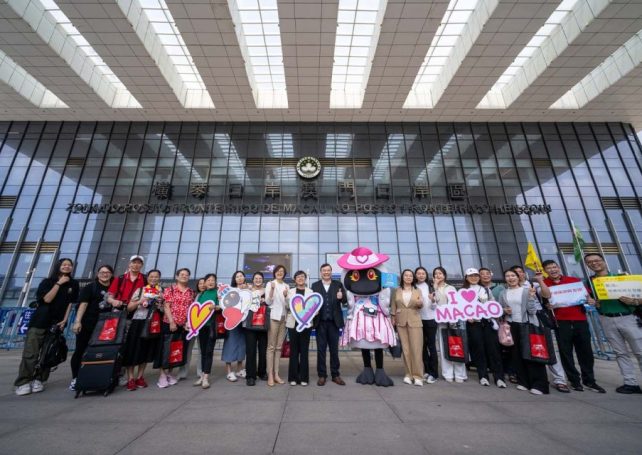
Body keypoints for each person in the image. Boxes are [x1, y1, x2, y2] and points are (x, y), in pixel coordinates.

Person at [15, 258, 79, 396]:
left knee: (48, 353)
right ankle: (23, 382)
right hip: (40, 321)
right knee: (31, 353)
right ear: (58, 266)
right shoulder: (47, 282)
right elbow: (47, 299)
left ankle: (39, 379)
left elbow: (70, 304)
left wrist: (65, 320)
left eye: (69, 265)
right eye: (64, 265)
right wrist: (58, 283)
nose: (67, 267)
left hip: (56, 323)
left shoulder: (74, 284)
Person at [541, 259, 606, 393]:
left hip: (579, 320)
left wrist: (590, 300)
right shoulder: (545, 283)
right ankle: (574, 381)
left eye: (554, 267)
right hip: (560, 322)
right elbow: (545, 297)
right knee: (566, 353)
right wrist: (541, 282)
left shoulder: (574, 280)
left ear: (559, 267)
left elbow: (587, 296)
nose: (553, 270)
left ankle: (589, 381)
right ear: (545, 271)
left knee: (585, 352)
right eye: (549, 268)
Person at [585, 253, 642, 394]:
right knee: (620, 352)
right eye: (590, 262)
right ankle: (630, 382)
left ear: (603, 261)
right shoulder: (590, 282)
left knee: (640, 351)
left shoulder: (622, 277)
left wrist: (634, 301)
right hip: (606, 318)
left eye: (596, 260)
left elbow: (639, 297)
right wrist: (594, 303)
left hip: (628, 317)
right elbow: (593, 301)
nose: (594, 263)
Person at [512, 264, 568, 392]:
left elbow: (547, 295)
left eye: (520, 272)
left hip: (538, 320)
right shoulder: (510, 289)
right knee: (526, 350)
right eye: (514, 273)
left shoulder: (533, 285)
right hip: (520, 322)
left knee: (548, 348)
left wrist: (540, 280)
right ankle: (528, 378)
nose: (517, 275)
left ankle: (559, 379)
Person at [499, 269, 549, 395]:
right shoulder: (503, 293)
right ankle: (523, 381)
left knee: (533, 353)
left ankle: (539, 384)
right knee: (516, 354)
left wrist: (531, 298)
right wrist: (505, 311)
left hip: (527, 324)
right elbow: (499, 310)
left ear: (518, 277)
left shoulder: (527, 291)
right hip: (511, 326)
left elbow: (532, 311)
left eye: (513, 275)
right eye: (507, 276)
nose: (510, 278)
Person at [69, 265, 114, 391]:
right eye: (102, 272)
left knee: (103, 352)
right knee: (81, 350)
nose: (105, 274)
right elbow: (83, 304)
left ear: (111, 274)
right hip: (88, 323)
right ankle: (76, 378)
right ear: (97, 273)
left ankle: (99, 377)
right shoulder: (90, 287)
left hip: (106, 325)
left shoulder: (114, 287)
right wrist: (77, 321)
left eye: (107, 272)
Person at [462, 268, 506, 388]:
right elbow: (460, 308)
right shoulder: (462, 291)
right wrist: (467, 317)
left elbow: (493, 304)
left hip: (488, 322)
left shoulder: (486, 290)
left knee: (494, 350)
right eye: (471, 276)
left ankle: (499, 377)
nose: (474, 278)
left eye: (476, 275)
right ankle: (483, 376)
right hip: (473, 324)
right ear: (466, 277)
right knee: (478, 350)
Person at [122, 269, 163, 391]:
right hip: (138, 322)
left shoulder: (161, 291)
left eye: (156, 277)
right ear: (148, 278)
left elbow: (162, 310)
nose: (154, 279)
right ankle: (130, 378)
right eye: (151, 276)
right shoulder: (140, 290)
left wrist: (160, 302)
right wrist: (142, 300)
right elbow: (129, 307)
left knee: (145, 350)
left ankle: (140, 376)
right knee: (133, 349)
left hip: (152, 323)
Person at [155, 268, 195, 388]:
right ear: (177, 277)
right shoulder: (170, 289)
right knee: (166, 349)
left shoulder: (190, 292)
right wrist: (172, 322)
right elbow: (167, 306)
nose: (184, 276)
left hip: (183, 326)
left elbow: (190, 309)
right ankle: (162, 375)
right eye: (182, 274)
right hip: (169, 324)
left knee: (176, 350)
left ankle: (169, 374)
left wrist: (188, 322)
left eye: (186, 275)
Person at [311, 263, 347, 386]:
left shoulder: (338, 284)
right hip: (320, 322)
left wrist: (341, 297)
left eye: (328, 270)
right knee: (321, 350)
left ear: (331, 272)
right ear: (321, 272)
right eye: (324, 271)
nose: (326, 272)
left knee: (334, 350)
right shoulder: (315, 285)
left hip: (334, 322)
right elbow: (311, 302)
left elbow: (345, 301)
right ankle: (322, 375)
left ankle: (335, 375)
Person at [432, 267, 466, 383]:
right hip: (440, 322)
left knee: (456, 345)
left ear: (444, 275)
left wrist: (453, 318)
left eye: (440, 273)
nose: (438, 275)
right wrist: (435, 289)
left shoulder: (450, 288)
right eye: (436, 274)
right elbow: (434, 305)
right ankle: (447, 373)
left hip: (452, 321)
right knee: (443, 347)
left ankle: (460, 374)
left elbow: (454, 304)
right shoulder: (432, 289)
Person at [391, 269, 424, 386]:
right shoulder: (396, 290)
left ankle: (418, 376)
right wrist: (393, 318)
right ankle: (408, 375)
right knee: (405, 350)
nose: (408, 277)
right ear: (402, 277)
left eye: (410, 276)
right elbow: (393, 306)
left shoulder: (417, 290)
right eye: (406, 275)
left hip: (414, 321)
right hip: (401, 322)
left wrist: (420, 303)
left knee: (416, 349)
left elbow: (421, 304)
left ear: (413, 278)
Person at [286, 270, 314, 386]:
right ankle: (293, 377)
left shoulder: (310, 291)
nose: (300, 278)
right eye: (298, 277)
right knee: (294, 351)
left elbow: (313, 306)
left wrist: (315, 312)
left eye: (302, 276)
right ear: (295, 279)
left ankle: (304, 378)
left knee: (304, 351)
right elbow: (287, 306)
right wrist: (285, 297)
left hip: (306, 325)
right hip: (293, 324)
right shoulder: (290, 291)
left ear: (305, 278)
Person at [194, 274, 219, 389]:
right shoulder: (201, 294)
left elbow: (222, 306)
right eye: (208, 280)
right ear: (204, 283)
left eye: (213, 280)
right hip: (200, 327)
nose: (210, 282)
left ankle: (206, 378)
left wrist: (216, 307)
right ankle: (202, 375)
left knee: (209, 352)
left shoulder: (217, 293)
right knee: (203, 352)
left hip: (211, 327)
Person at [265, 265, 289, 386]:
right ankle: (270, 374)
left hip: (283, 318)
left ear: (284, 274)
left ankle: (276, 374)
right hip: (273, 318)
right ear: (274, 273)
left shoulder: (286, 286)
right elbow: (268, 302)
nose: (280, 273)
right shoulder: (270, 284)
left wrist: (286, 296)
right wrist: (272, 290)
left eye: (282, 271)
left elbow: (288, 305)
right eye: (278, 271)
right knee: (271, 347)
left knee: (279, 347)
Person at [222, 271, 247, 382]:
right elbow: (225, 304)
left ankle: (240, 369)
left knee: (242, 344)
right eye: (237, 276)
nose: (240, 278)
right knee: (230, 344)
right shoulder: (230, 290)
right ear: (234, 279)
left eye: (241, 276)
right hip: (232, 322)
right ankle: (229, 371)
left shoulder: (248, 290)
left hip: (244, 321)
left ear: (244, 278)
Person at [245, 272, 268, 386]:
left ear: (263, 280)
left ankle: (262, 372)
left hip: (263, 325)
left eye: (260, 278)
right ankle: (250, 376)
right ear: (253, 280)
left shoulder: (267, 291)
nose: (258, 280)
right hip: (250, 325)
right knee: (250, 351)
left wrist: (266, 302)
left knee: (263, 351)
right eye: (256, 278)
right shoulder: (248, 292)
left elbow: (272, 303)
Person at [180, 277, 206, 380]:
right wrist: (187, 322)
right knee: (187, 349)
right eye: (200, 283)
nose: (202, 285)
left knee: (201, 350)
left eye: (204, 283)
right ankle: (183, 372)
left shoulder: (209, 296)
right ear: (197, 285)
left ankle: (200, 372)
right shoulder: (193, 295)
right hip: (191, 326)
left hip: (203, 327)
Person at [415, 266, 438, 384]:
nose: (421, 275)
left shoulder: (431, 287)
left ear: (426, 275)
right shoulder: (413, 288)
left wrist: (433, 300)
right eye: (418, 273)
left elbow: (434, 307)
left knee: (431, 346)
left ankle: (434, 373)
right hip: (418, 320)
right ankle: (426, 370)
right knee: (422, 347)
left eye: (423, 273)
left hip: (430, 319)